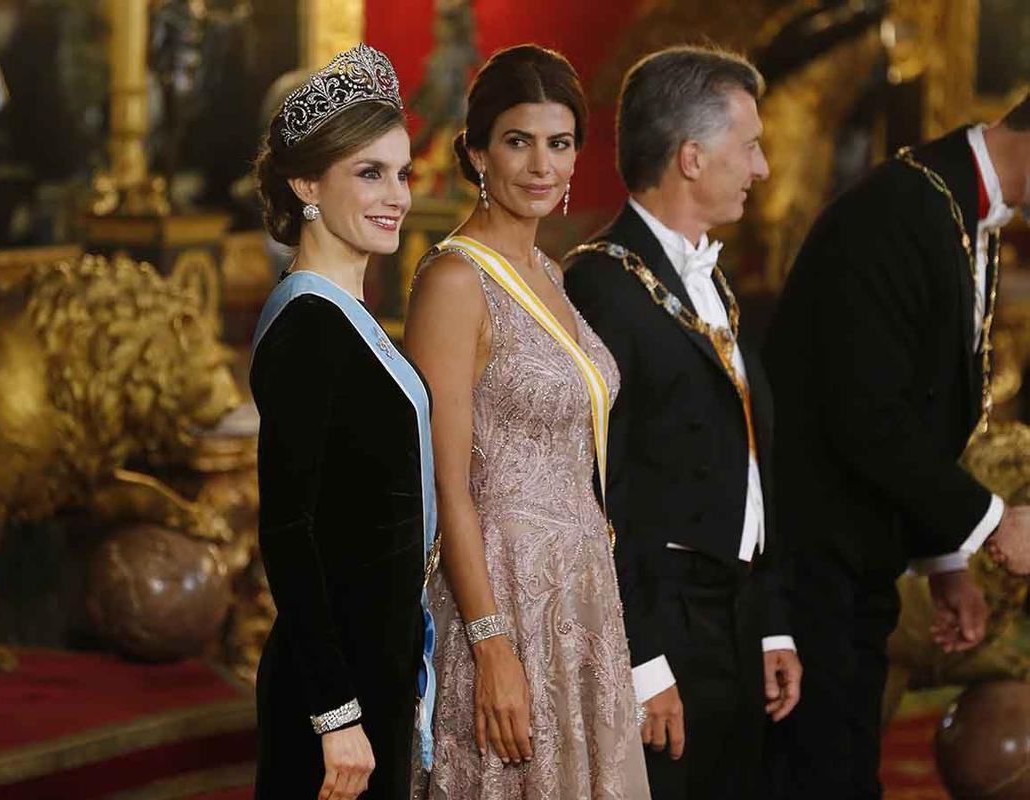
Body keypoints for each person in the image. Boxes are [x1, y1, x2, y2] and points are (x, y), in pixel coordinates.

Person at [762, 93, 1030, 800]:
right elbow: (866, 416)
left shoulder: (960, 210)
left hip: (860, 562)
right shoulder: (896, 210)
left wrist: (947, 560)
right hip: (807, 567)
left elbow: (926, 411)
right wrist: (994, 521)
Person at [406, 44, 651, 799]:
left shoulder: (552, 272)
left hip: (579, 599)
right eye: (518, 142)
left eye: (560, 142)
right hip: (500, 601)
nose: (542, 165)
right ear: (477, 151)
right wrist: (491, 646)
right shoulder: (454, 280)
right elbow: (447, 486)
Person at [563, 47, 801, 800]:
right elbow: (601, 491)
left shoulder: (707, 277)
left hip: (731, 615)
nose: (761, 169)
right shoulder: (603, 284)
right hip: (665, 622)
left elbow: (750, 463)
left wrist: (770, 623)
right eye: (751, 146)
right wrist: (644, 661)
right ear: (692, 158)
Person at [250, 43, 437, 800]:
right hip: (335, 693)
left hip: (376, 671)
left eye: (401, 173)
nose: (396, 195)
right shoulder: (308, 330)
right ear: (305, 184)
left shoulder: (349, 317)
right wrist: (336, 713)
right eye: (369, 173)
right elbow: (288, 532)